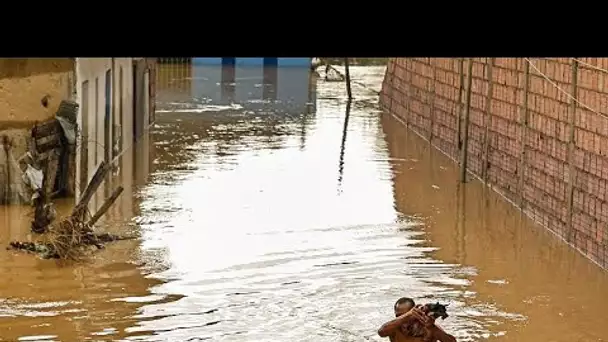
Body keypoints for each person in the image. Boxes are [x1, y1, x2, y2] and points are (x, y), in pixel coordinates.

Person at [377, 297, 457, 342]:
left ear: (416, 314)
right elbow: (381, 332)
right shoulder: (394, 328)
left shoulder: (427, 327)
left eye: (408, 315)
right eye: (399, 316)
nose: (404, 322)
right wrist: (407, 316)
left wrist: (432, 328)